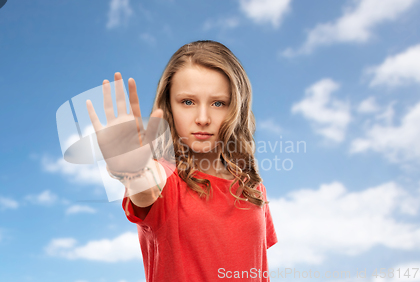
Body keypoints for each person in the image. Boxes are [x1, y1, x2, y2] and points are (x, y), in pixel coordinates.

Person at [86, 40, 277, 282]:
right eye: (188, 102)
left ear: (236, 108)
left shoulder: (252, 187)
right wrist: (130, 169)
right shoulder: (164, 178)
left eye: (218, 103)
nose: (203, 118)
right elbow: (145, 186)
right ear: (169, 107)